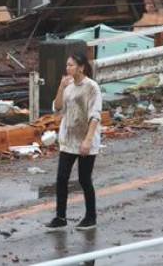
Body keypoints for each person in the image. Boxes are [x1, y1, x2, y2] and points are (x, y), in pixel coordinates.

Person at [45, 52, 102, 231]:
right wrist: (61, 87)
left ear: (81, 67)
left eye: (71, 65)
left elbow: (95, 115)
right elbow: (57, 107)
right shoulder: (68, 87)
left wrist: (88, 140)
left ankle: (90, 217)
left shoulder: (91, 87)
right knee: (61, 178)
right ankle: (60, 217)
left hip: (85, 139)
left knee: (84, 179)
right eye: (67, 65)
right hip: (68, 140)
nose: (67, 68)